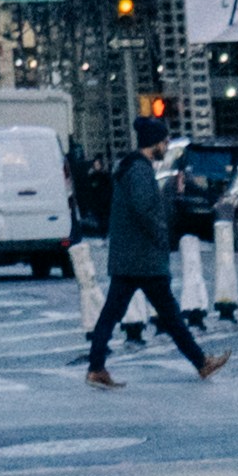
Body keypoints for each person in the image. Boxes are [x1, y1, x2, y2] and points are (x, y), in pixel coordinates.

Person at [82, 99, 222, 385]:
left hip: (132, 258)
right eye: (164, 141)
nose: (167, 146)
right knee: (168, 316)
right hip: (142, 259)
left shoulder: (132, 167)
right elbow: (144, 208)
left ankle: (97, 367)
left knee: (117, 315)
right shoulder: (140, 170)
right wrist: (162, 236)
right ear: (154, 143)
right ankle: (200, 362)